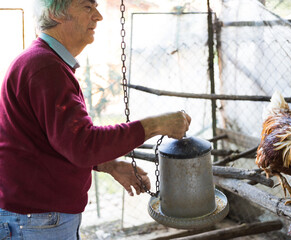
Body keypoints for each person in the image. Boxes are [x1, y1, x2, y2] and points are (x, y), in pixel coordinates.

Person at [0, 0, 191, 239]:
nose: (98, 16)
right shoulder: (44, 67)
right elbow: (82, 144)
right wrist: (155, 125)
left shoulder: (44, 62)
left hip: (37, 217)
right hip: (35, 221)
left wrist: (109, 165)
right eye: (87, 7)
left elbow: (59, 141)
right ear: (55, 15)